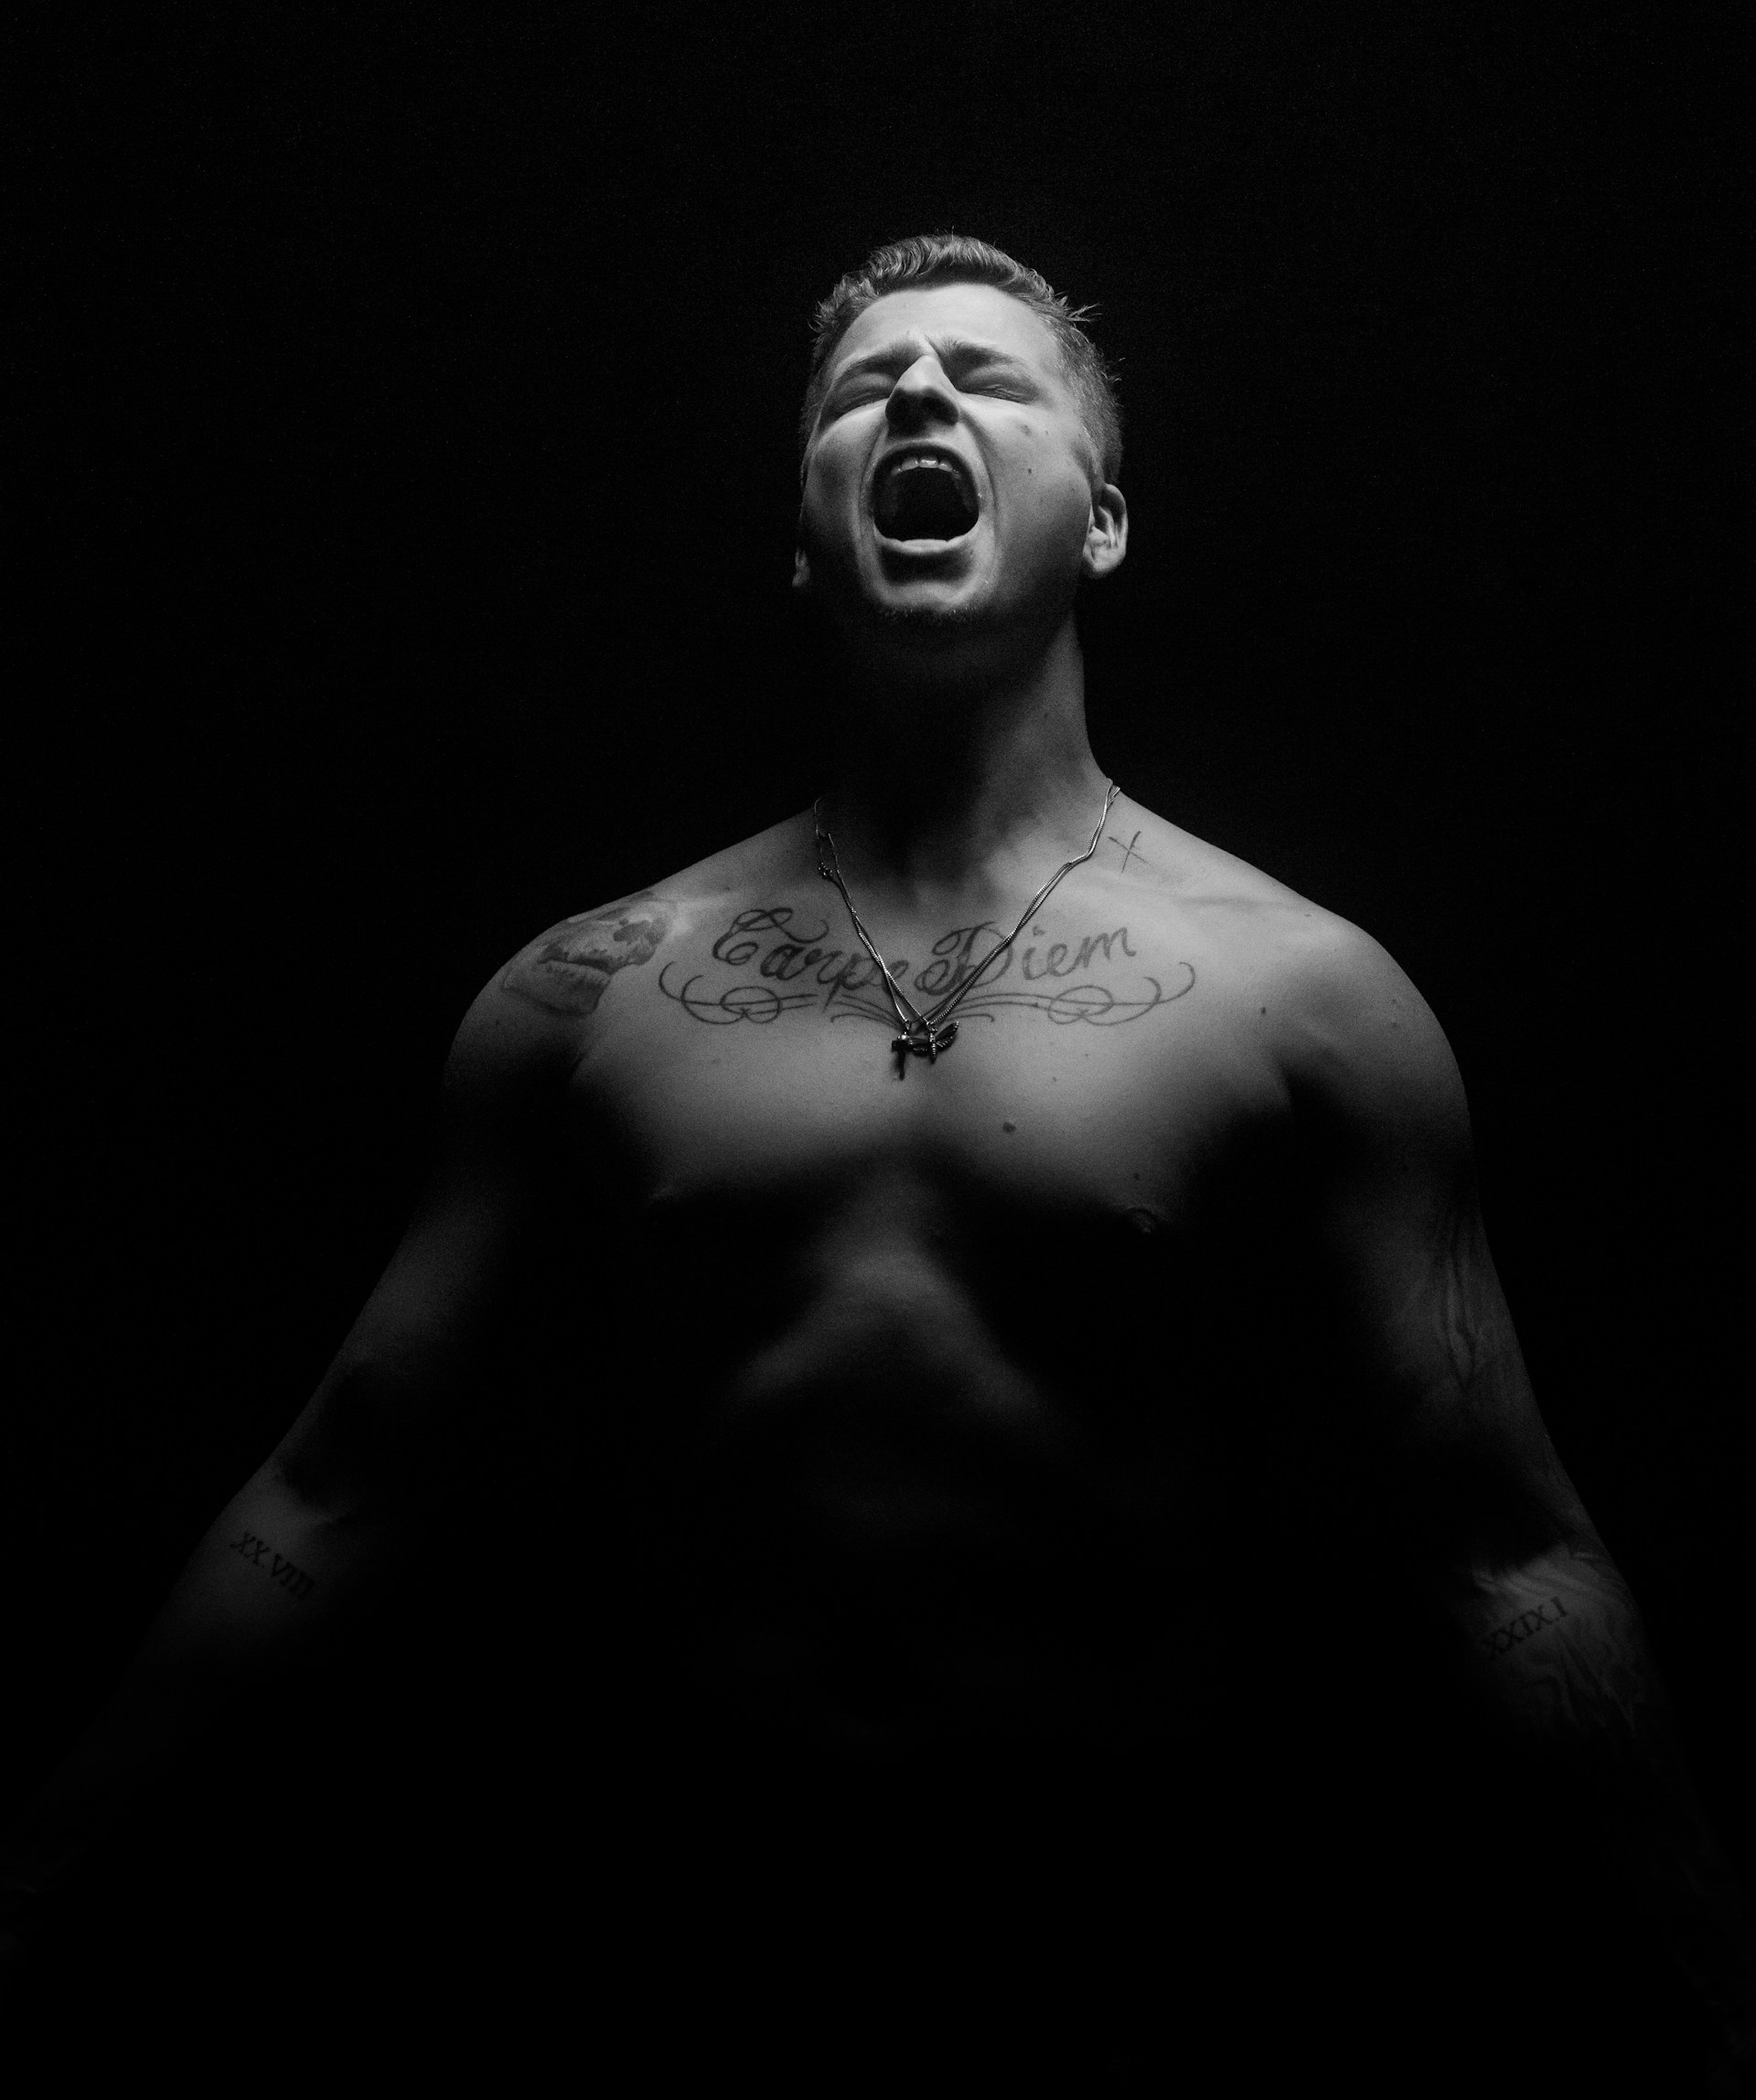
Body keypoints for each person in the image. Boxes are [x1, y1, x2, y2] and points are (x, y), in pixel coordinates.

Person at [5, 233, 1751, 2091]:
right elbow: (337, 1490)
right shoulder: (590, 993)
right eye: (867, 388)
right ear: (803, 530)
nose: (919, 396)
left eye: (989, 380)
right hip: (680, 1960)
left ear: (1102, 526)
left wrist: (1719, 1979)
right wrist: (38, 1886)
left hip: (1137, 1966)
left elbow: (1500, 1544)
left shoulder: (1306, 999)